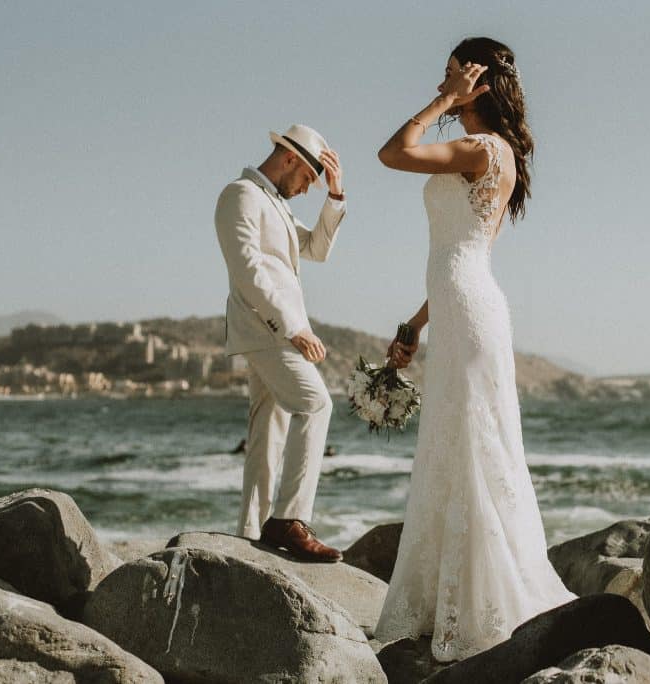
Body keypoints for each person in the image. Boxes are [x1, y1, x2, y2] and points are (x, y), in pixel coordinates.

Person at [373, 38, 576, 660]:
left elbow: (392, 153)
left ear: (479, 84)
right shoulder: (487, 151)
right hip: (462, 306)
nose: (446, 84)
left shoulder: (482, 150)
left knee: (473, 443)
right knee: (458, 442)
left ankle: (482, 608)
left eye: (456, 75)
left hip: (472, 310)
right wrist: (414, 325)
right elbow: (458, 258)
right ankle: (448, 598)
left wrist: (442, 101)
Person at [214, 124, 346, 562]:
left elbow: (317, 249)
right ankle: (289, 519)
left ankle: (251, 532)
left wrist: (334, 194)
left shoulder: (277, 206)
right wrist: (293, 328)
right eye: (308, 180)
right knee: (316, 403)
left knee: (267, 430)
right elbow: (247, 270)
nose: (307, 189)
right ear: (289, 159)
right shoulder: (241, 195)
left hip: (273, 331)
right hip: (264, 329)